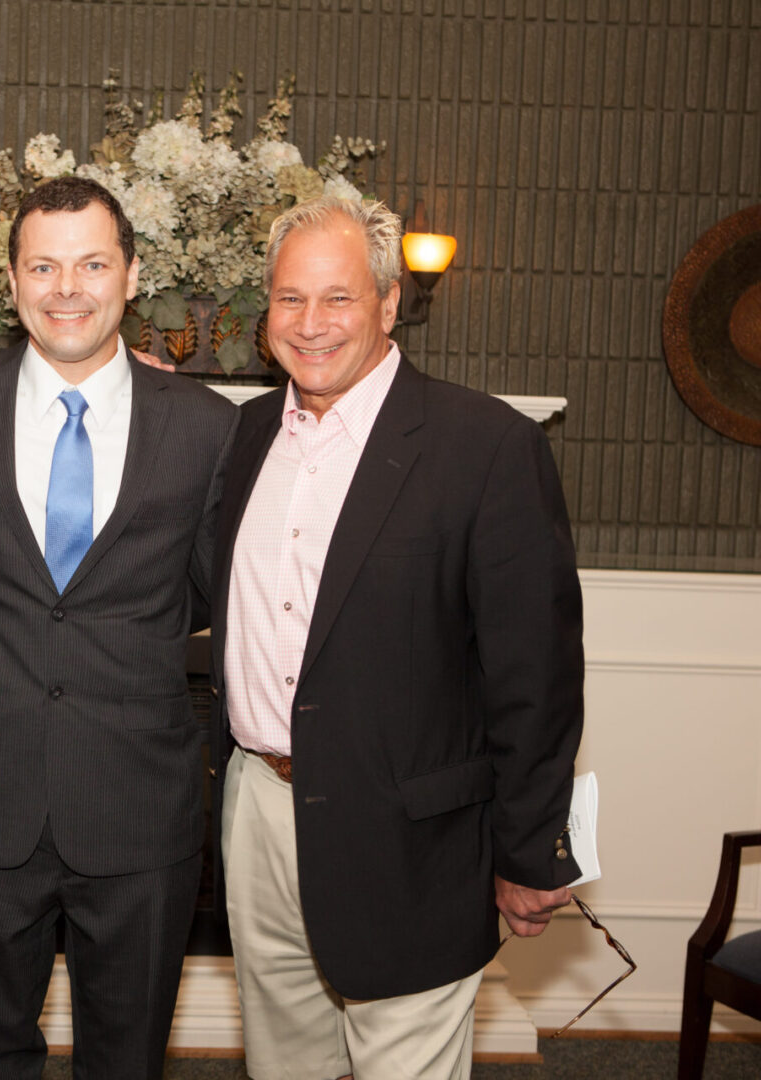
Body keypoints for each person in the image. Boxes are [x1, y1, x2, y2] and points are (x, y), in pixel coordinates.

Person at [209, 195, 584, 1079]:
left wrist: (533, 852)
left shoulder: (486, 446)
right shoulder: (249, 433)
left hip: (412, 836)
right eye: (289, 299)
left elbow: (536, 676)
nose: (310, 324)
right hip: (260, 811)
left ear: (388, 303)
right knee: (283, 1067)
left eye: (338, 298)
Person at [0, 175, 238, 1080]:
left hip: (137, 813)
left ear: (132, 275)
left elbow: (220, 600)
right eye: (44, 266)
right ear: (11, 282)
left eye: (93, 263)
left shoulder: (207, 427)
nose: (68, 288)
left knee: (126, 1064)